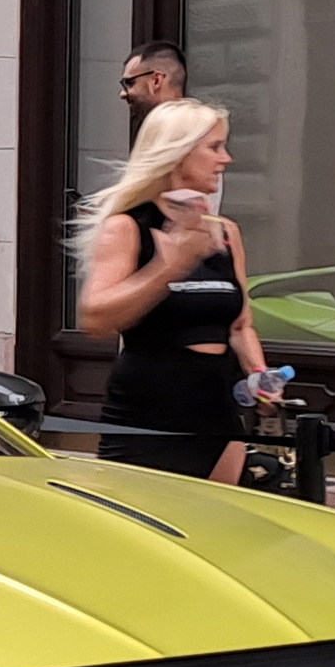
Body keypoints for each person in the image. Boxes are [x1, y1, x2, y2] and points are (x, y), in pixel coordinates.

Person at [75, 98, 277, 484]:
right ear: (179, 153)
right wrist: (170, 266)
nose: (227, 159)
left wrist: (262, 375)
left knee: (217, 531)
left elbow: (240, 325)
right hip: (150, 412)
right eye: (214, 147)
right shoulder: (128, 226)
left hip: (217, 409)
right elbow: (95, 317)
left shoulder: (225, 232)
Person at [120, 40, 187, 137]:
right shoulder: (201, 128)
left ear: (156, 80)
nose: (123, 94)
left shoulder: (188, 134)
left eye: (130, 83)